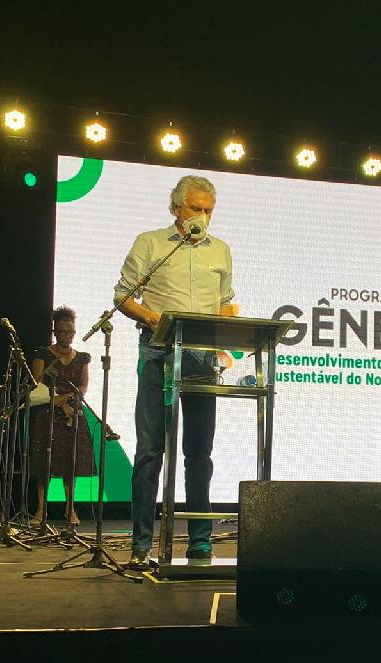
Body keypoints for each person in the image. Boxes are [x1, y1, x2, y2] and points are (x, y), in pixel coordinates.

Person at [114, 175, 237, 569]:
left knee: (199, 453)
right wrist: (155, 319)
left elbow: (225, 302)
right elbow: (122, 296)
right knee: (151, 450)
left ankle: (200, 542)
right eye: (196, 208)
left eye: (209, 210)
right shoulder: (152, 243)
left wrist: (228, 322)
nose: (203, 216)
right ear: (176, 208)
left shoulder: (221, 250)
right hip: (157, 351)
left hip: (201, 357)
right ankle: (141, 545)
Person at [29, 306, 97, 528]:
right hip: (48, 412)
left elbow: (83, 385)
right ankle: (41, 510)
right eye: (63, 332)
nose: (68, 336)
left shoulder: (82, 358)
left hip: (72, 413)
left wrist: (71, 401)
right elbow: (37, 383)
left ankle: (70, 509)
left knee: (71, 462)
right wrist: (58, 400)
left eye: (71, 332)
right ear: (55, 332)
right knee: (45, 463)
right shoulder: (43, 354)